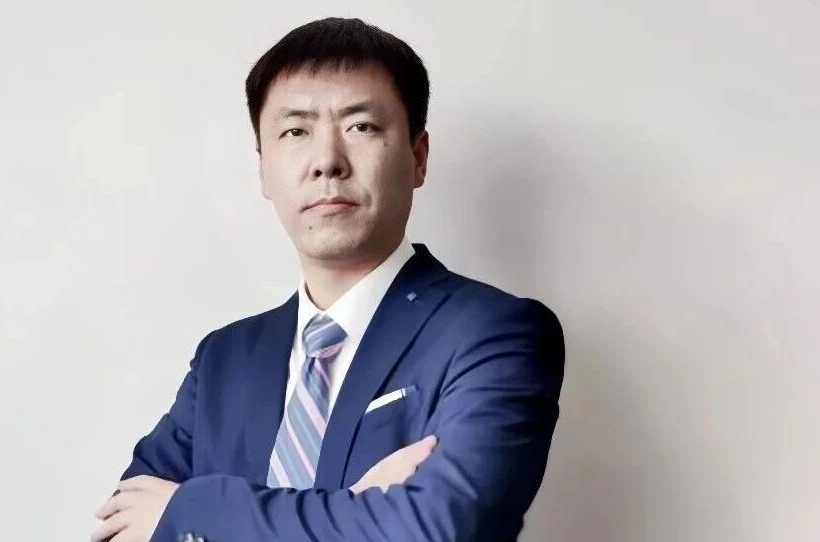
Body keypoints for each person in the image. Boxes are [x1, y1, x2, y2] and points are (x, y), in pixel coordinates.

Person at [91, 17, 564, 542]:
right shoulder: (223, 359)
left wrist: (193, 508)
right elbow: (120, 529)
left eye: (361, 127)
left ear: (418, 157)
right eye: (296, 131)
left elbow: (439, 528)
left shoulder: (494, 332)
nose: (327, 162)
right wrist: (357, 509)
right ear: (263, 168)